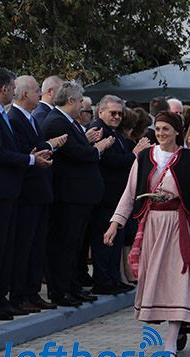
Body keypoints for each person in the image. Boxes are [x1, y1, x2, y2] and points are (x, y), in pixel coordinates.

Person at [104, 111, 190, 357]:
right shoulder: (144, 157)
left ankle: (170, 344)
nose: (162, 133)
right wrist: (114, 224)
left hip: (180, 225)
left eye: (167, 128)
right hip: (152, 226)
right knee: (158, 279)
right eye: (159, 128)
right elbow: (129, 194)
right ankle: (176, 331)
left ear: (177, 132)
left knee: (179, 281)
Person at [0, 68, 53, 320]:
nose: (14, 92)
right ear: (5, 89)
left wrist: (30, 155)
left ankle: (0, 298)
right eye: (12, 88)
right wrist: (30, 160)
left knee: (5, 248)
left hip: (8, 190)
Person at [42, 81, 115, 307]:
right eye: (81, 100)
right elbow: (77, 154)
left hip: (79, 195)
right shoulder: (56, 121)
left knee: (74, 245)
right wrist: (98, 148)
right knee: (64, 244)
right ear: (71, 100)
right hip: (69, 195)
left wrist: (88, 141)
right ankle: (60, 290)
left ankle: (72, 287)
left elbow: (78, 146)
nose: (83, 104)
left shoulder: (69, 122)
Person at [8, 76, 67, 313]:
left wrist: (46, 147)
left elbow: (36, 147)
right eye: (35, 91)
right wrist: (47, 148)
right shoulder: (14, 118)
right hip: (27, 193)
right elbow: (25, 151)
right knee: (24, 246)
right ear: (25, 94)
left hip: (40, 192)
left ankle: (32, 292)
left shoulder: (30, 117)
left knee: (36, 246)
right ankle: (19, 294)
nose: (39, 96)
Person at [90, 95, 151, 296]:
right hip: (106, 195)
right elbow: (109, 160)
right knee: (104, 241)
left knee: (115, 242)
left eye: (119, 113)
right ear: (100, 112)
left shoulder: (114, 132)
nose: (117, 117)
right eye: (113, 113)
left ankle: (114, 278)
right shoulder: (98, 131)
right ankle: (103, 280)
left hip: (117, 196)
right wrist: (135, 154)